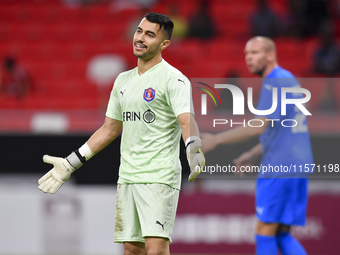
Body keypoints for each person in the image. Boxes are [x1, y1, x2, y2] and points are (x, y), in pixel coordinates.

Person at [38, 12, 205, 255]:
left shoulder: (174, 79)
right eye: (139, 31)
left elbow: (186, 119)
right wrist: (71, 163)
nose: (140, 38)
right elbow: (109, 129)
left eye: (150, 35)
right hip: (127, 176)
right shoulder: (122, 81)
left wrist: (193, 145)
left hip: (159, 177)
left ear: (164, 44)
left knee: (156, 249)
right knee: (131, 250)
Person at [201, 36, 313, 255]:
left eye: (255, 53)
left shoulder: (275, 81)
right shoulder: (288, 79)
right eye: (246, 54)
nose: (248, 58)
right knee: (280, 233)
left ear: (270, 55)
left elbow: (258, 126)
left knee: (264, 230)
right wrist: (253, 152)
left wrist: (216, 139)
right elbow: (282, 130)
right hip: (297, 165)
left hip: (281, 167)